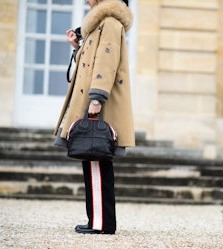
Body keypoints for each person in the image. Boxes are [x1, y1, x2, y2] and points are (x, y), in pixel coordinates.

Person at [53, 0, 135, 235]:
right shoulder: (100, 23)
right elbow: (89, 63)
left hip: (98, 103)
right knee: (92, 162)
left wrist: (97, 99)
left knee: (97, 161)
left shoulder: (109, 23)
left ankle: (102, 224)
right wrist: (77, 47)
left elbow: (106, 63)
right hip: (92, 101)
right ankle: (96, 220)